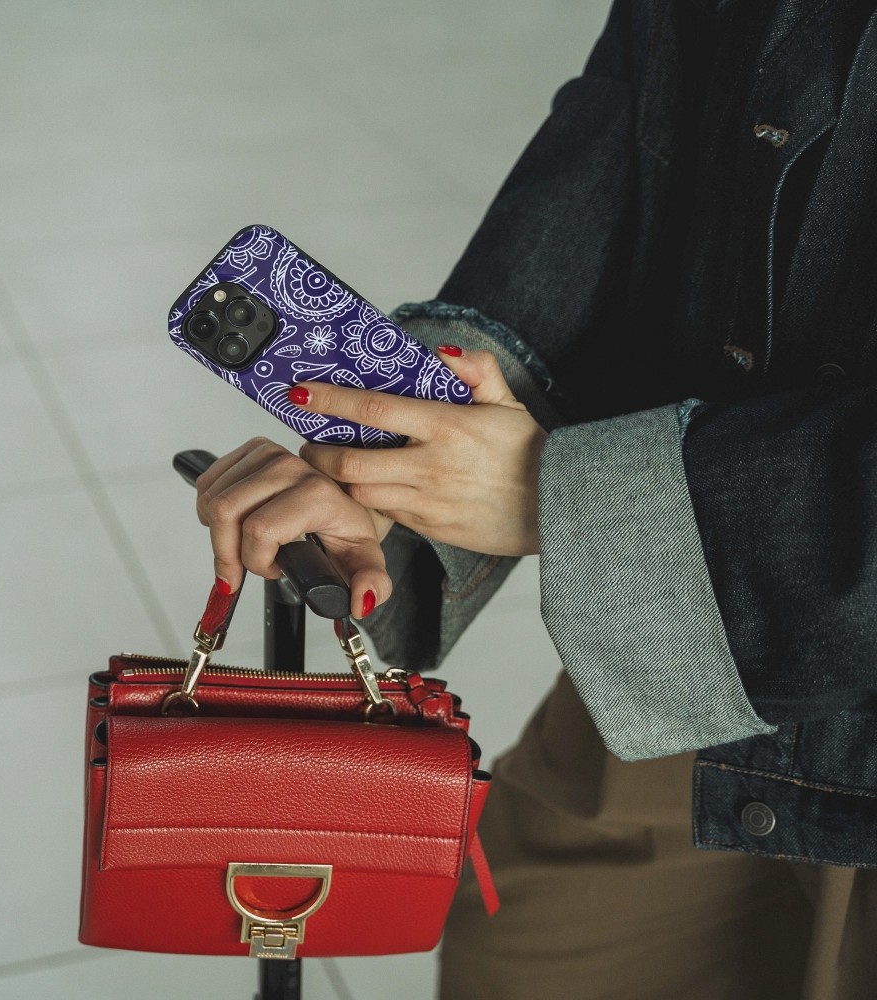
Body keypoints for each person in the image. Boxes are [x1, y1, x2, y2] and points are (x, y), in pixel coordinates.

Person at [195, 1, 877, 996]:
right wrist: (399, 463)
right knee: (516, 957)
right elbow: (606, 167)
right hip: (676, 654)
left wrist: (557, 491)